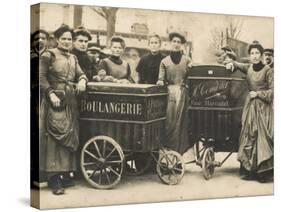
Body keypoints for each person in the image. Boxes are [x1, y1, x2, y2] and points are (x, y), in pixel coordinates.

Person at [39, 24, 88, 195]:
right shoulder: (48, 55)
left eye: (69, 39)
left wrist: (82, 80)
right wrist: (50, 93)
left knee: (69, 135)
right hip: (54, 100)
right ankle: (54, 178)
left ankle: (65, 173)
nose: (67, 42)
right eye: (64, 38)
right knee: (54, 136)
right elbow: (41, 77)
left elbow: (81, 74)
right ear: (57, 39)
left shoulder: (74, 57)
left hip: (70, 101)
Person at [226, 40, 273, 183]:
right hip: (250, 107)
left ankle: (263, 172)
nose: (255, 56)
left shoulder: (268, 70)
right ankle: (248, 170)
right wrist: (231, 64)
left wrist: (258, 94)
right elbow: (236, 64)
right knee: (248, 135)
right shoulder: (249, 68)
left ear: (261, 54)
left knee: (262, 137)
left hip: (263, 108)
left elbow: (273, 92)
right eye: (252, 53)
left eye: (257, 53)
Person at [157, 32, 192, 154]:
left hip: (183, 93)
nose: (176, 44)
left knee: (182, 123)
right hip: (169, 94)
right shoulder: (164, 62)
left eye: (179, 42)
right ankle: (169, 153)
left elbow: (190, 77)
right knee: (170, 123)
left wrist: (186, 84)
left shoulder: (187, 60)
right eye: (174, 42)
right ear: (170, 43)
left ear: (181, 45)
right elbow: (161, 78)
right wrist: (160, 81)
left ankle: (180, 153)